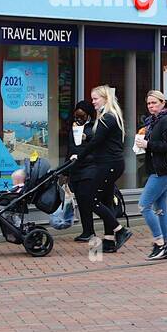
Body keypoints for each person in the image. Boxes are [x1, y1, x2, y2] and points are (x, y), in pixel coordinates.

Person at [71, 85, 131, 252]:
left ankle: (120, 230)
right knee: (105, 199)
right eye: (92, 98)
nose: (93, 102)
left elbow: (96, 142)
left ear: (105, 98)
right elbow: (101, 139)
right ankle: (109, 240)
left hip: (109, 164)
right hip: (111, 163)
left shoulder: (107, 118)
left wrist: (79, 157)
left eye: (96, 99)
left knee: (91, 200)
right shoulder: (111, 117)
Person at [137, 90, 167, 262]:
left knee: (143, 206)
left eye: (154, 103)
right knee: (161, 209)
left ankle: (159, 242)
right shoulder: (153, 122)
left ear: (163, 103)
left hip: (162, 171)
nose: (151, 106)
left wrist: (148, 144)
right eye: (148, 103)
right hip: (157, 170)